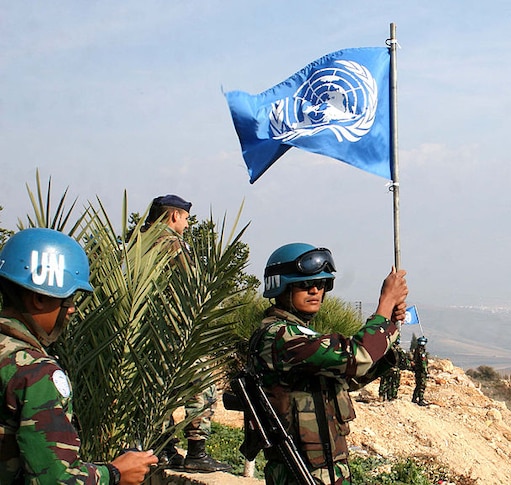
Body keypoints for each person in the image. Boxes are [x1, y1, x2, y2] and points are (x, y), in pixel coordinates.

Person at [0, 228, 158, 484]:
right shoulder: (35, 373)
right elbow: (55, 480)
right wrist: (115, 473)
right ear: (39, 298)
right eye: (69, 298)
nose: (72, 309)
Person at [249, 242, 408, 484]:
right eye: (304, 284)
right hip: (300, 473)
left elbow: (347, 378)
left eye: (321, 284)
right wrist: (385, 304)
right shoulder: (281, 336)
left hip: (326, 471)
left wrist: (390, 326)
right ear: (280, 287)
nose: (315, 290)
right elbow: (358, 356)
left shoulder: (299, 334)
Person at [143, 194, 230, 473]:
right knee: (201, 386)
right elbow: (191, 285)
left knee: (159, 389)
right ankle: (197, 451)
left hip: (147, 331)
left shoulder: (138, 243)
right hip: (174, 328)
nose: (188, 224)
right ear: (173, 217)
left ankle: (163, 449)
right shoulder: (171, 243)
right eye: (186, 218)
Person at [377, 336, 409, 401]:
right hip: (395, 369)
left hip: (385, 368)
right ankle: (392, 396)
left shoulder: (386, 348)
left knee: (384, 382)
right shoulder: (399, 350)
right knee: (394, 383)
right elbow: (404, 360)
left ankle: (381, 396)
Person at [411, 336, 430, 406]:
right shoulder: (422, 352)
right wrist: (426, 371)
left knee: (418, 384)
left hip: (417, 370)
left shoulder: (416, 350)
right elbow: (423, 363)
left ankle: (414, 398)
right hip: (421, 371)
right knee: (422, 385)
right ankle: (420, 400)